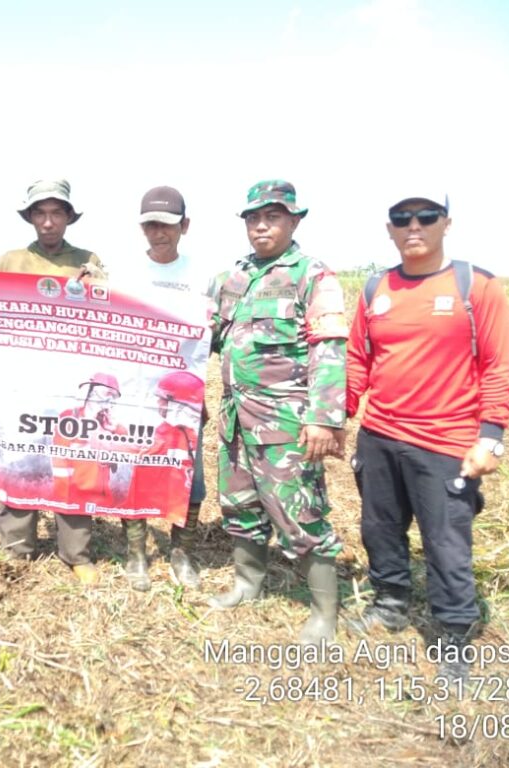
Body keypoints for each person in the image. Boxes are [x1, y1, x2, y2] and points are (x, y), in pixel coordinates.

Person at [345, 189, 509, 682]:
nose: (413, 226)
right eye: (402, 218)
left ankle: (454, 634)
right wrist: (342, 415)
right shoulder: (375, 288)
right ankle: (390, 604)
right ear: (389, 228)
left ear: (446, 223)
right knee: (379, 528)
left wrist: (491, 437)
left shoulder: (476, 287)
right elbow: (359, 359)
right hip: (379, 435)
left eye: (425, 216)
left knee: (445, 542)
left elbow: (499, 367)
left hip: (445, 442)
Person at [209, 180, 348, 646]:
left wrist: (324, 418)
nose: (261, 226)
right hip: (235, 417)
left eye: (272, 216)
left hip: (285, 422)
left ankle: (324, 613)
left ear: (293, 220)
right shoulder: (234, 277)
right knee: (241, 506)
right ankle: (248, 584)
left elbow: (328, 349)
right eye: (253, 218)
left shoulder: (312, 275)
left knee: (300, 514)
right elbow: (202, 333)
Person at [0, 179, 106, 585]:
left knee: (73, 461)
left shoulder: (89, 260)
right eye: (40, 213)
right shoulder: (11, 261)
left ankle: (75, 552)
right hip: (20, 381)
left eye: (57, 213)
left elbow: (108, 310)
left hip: (70, 381)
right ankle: (17, 546)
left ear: (69, 218)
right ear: (30, 217)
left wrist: (96, 288)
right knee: (19, 455)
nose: (48, 221)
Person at [120, 186, 209, 592]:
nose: (159, 233)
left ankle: (181, 553)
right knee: (134, 472)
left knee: (190, 478)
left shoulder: (202, 276)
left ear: (184, 226)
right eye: (151, 225)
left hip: (184, 397)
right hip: (136, 395)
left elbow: (215, 334)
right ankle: (136, 553)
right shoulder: (124, 274)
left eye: (168, 225)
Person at [51, 373, 126, 509]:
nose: (109, 400)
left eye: (113, 396)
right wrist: (64, 498)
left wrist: (116, 429)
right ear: (89, 393)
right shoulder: (70, 417)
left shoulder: (108, 422)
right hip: (75, 496)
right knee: (79, 530)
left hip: (101, 497)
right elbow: (59, 461)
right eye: (105, 394)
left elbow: (131, 446)